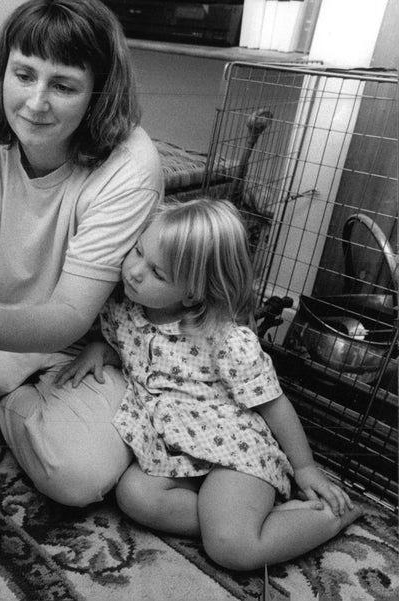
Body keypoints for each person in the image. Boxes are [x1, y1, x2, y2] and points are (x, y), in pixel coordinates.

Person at [0, 0, 163, 506]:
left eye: (64, 86)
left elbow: (71, 315)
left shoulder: (130, 168)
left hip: (78, 347)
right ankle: (3, 392)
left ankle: (6, 399)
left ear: (98, 93)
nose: (35, 103)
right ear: (3, 72)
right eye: (24, 75)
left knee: (77, 478)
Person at [55, 198, 362, 570]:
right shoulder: (122, 311)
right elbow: (119, 343)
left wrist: (306, 467)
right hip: (174, 453)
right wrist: (97, 348)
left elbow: (273, 403)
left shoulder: (224, 339)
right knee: (134, 495)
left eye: (157, 273)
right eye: (138, 251)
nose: (135, 271)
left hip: (234, 453)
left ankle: (327, 517)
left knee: (232, 549)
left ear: (193, 293)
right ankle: (231, 516)